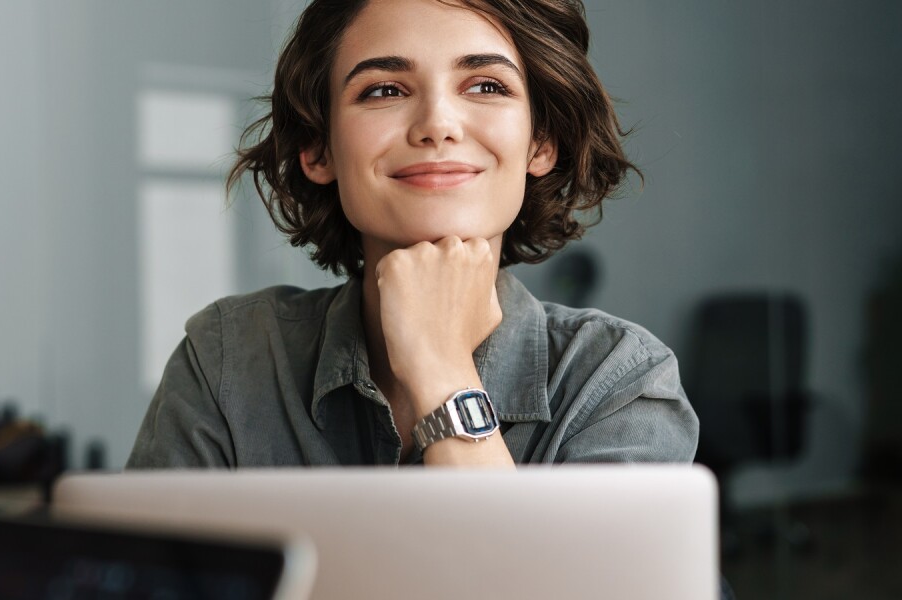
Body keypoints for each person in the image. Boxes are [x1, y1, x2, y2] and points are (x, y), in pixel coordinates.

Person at [126, 0, 698, 469]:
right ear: (318, 148)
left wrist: (441, 368)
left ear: (540, 143)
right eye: (384, 90)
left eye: (486, 86)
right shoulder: (227, 360)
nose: (436, 126)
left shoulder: (619, 382)